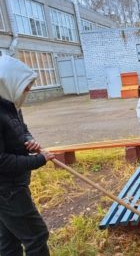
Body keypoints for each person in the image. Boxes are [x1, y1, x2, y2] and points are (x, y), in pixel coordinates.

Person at [0, 55, 55, 256]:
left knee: (9, 240)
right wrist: (39, 160)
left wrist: (29, 140)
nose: (27, 92)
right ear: (9, 82)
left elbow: (22, 129)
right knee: (36, 236)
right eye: (25, 88)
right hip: (7, 189)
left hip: (13, 185)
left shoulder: (10, 105)